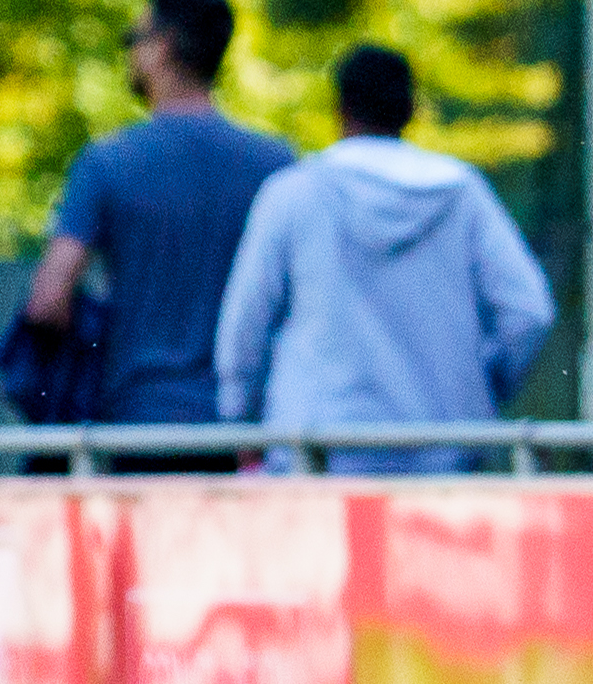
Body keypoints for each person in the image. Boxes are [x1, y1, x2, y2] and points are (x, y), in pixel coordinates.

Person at [212, 43, 558, 473]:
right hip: (444, 450)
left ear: (340, 108)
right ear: (411, 109)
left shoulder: (293, 195)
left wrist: (240, 420)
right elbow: (529, 311)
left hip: (316, 455)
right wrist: (478, 386)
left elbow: (244, 328)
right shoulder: (462, 194)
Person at [22, 0, 294, 459]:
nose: (130, 52)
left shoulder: (106, 163)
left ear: (163, 47)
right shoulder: (276, 166)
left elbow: (48, 299)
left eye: (134, 39)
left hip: (139, 425)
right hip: (248, 434)